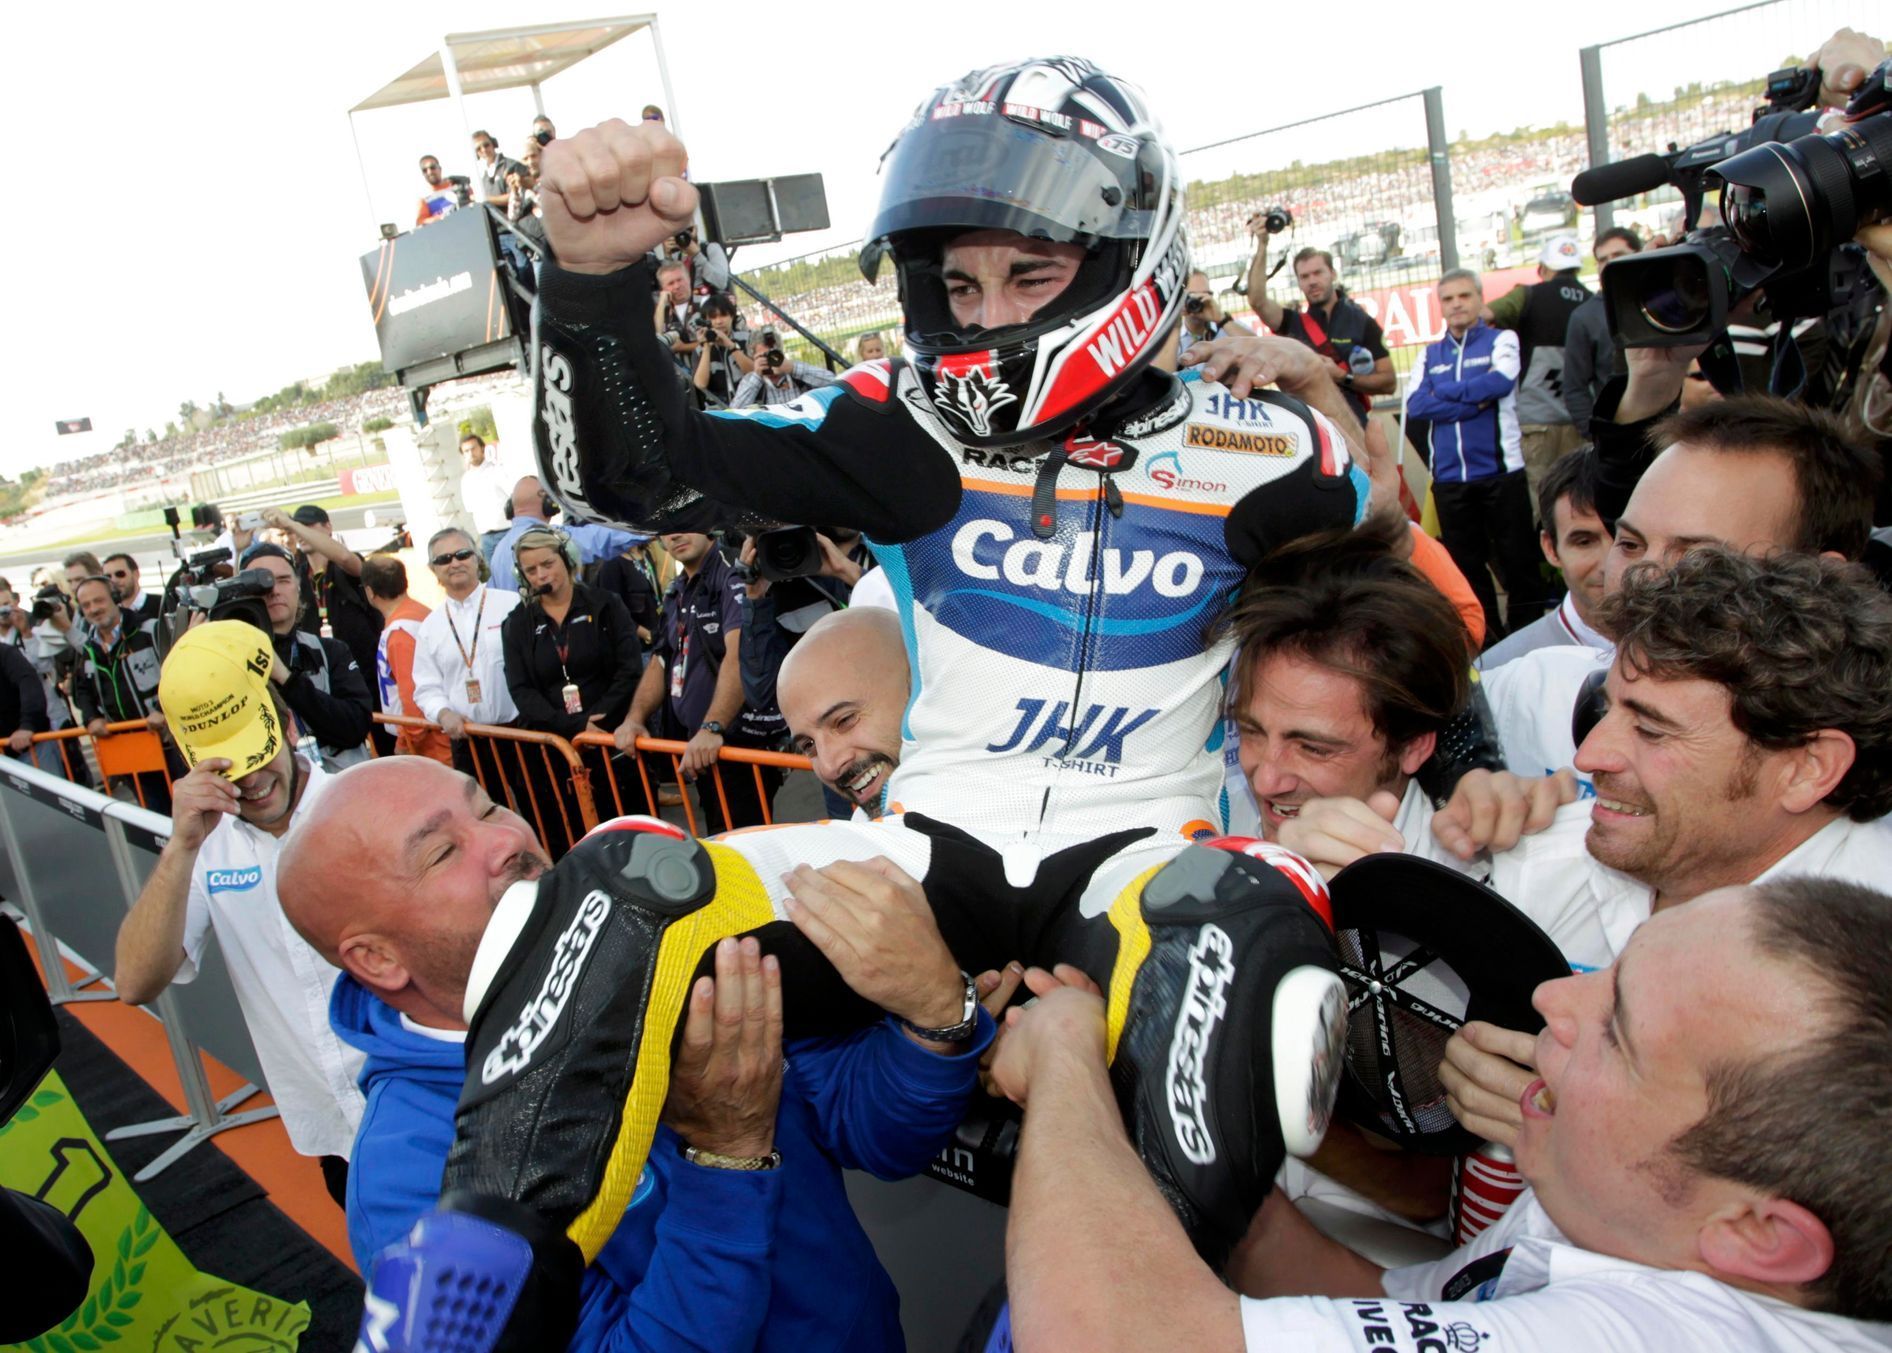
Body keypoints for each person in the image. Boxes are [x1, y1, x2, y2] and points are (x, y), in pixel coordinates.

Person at [364, 59, 1499, 1321]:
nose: (984, 312)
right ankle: (472, 1302)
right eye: (955, 282)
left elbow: (1411, 639)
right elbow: (635, 476)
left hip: (1141, 863)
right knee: (623, 880)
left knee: (1237, 921)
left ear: (1133, 256)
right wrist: (588, 281)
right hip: (922, 857)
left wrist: (1466, 777)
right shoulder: (902, 424)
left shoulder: (1275, 457)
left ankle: (1123, 1321)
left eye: (1026, 275)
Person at [281, 755, 999, 1350]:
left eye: (489, 804)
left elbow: (871, 1130)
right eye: (443, 850)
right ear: (375, 957)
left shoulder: (663, 940)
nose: (507, 841)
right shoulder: (412, 1182)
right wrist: (724, 1154)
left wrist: (935, 1021)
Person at [993, 880, 1892, 1350]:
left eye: (1616, 1031)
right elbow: (1372, 1300)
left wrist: (1065, 1066)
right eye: (1611, 974)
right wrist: (1161, 1105)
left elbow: (1109, 1340)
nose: (1553, 999)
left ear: (1757, 1232)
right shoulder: (1636, 1212)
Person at [1483, 395, 1880, 786]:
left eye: (1697, 558)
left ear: (1821, 580)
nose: (1639, 579)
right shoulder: (1531, 692)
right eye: (1630, 545)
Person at [112, 622, 365, 1203]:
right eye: (227, 768)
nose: (251, 782)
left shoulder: (364, 803)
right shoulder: (204, 848)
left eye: (258, 754)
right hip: (332, 1134)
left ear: (290, 728)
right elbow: (133, 982)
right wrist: (179, 848)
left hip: (430, 1111)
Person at [1407, 267, 1551, 642]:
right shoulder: (1428, 355)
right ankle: (1489, 639)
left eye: (1464, 296)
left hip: (1502, 475)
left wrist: (1446, 393)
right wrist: (1472, 403)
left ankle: (1529, 635)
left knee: (1518, 562)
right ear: (1440, 306)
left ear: (1479, 299)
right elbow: (1416, 404)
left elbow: (1501, 381)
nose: (1456, 304)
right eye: (1448, 299)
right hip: (1452, 482)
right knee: (1467, 569)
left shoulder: (1503, 339)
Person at [613, 530, 778, 833]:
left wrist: (712, 726)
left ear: (706, 524)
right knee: (721, 841)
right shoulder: (678, 587)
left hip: (736, 746)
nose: (675, 534)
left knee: (743, 851)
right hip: (703, 748)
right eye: (665, 530)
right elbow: (661, 659)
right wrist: (634, 718)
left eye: (684, 523)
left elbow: (741, 652)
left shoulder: (732, 570)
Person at [500, 526, 647, 849]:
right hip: (554, 750)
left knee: (627, 836)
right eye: (531, 570)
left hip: (610, 740)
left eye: (547, 564)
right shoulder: (518, 623)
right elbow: (521, 690)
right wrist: (578, 726)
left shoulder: (606, 605)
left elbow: (630, 669)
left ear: (566, 560)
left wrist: (599, 721)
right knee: (569, 840)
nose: (541, 575)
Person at [239, 543, 374, 771]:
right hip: (273, 794)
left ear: (298, 587)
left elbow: (355, 727)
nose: (274, 590)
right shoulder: (231, 660)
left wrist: (287, 679)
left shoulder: (330, 651)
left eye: (283, 580)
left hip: (338, 787)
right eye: (262, 584)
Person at [1476, 449, 1611, 672]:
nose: (1609, 565)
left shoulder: (1687, 648)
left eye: (1627, 542)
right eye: (1584, 542)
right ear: (1550, 548)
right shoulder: (1501, 672)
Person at [1482, 234, 1591, 508]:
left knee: (1539, 502)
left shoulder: (1528, 295)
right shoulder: (1592, 302)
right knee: (1579, 498)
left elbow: (1486, 315)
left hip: (1535, 421)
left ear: (1543, 268)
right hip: (1582, 421)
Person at [261, 504, 385, 746]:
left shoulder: (344, 565)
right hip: (326, 680)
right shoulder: (297, 575)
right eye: (299, 527)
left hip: (368, 677)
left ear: (328, 527)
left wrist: (291, 525)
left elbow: (346, 557)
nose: (301, 533)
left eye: (308, 526)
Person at [408, 527, 520, 784]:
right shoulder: (430, 627)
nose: (454, 563)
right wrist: (443, 713)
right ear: (433, 569)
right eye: (443, 559)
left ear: (477, 558)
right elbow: (426, 688)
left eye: (462, 554)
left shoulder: (511, 604)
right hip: (468, 741)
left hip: (521, 733)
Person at [1242, 241, 1394, 427]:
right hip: (1311, 430)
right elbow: (1257, 300)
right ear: (1298, 282)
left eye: (1318, 273)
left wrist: (1342, 376)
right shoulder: (1292, 323)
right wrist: (1263, 243)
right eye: (1304, 276)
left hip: (1354, 428)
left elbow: (1389, 382)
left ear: (1332, 273)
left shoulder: (1362, 322)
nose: (1312, 281)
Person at [776, 606, 910, 816]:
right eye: (809, 745)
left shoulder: (975, 809)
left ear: (915, 685)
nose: (829, 766)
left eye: (844, 721)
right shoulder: (865, 831)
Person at [69, 575, 172, 809]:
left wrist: (161, 710)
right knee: (154, 815)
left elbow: (179, 673)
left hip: (169, 742)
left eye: (99, 601)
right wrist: (91, 718)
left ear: (115, 598)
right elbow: (81, 689)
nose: (94, 609)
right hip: (127, 748)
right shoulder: (89, 648)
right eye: (86, 605)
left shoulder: (149, 630)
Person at [361, 554, 450, 764]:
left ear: (370, 592)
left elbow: (413, 695)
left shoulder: (400, 632)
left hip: (434, 747)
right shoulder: (419, 613)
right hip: (437, 738)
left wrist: (405, 741)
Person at [488, 475, 644, 593]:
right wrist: (649, 528)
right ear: (548, 501)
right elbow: (601, 539)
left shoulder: (497, 553)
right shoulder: (551, 538)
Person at [1559, 228, 1642, 438]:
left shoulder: (1664, 299)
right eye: (1602, 259)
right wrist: (1595, 436)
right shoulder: (1584, 317)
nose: (1609, 264)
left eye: (1618, 255)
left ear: (1639, 253)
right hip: (1620, 430)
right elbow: (1574, 387)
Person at [728, 332, 836, 410]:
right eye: (762, 356)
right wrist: (757, 377)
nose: (768, 360)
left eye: (772, 354)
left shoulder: (797, 372)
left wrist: (793, 369)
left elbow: (833, 381)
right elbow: (735, 411)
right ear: (753, 358)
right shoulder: (750, 381)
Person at [690, 293, 754, 406]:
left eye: (723, 315)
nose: (719, 321)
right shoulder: (700, 350)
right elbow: (700, 384)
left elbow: (754, 372)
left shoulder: (747, 338)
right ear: (705, 321)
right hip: (718, 412)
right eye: (713, 317)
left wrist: (730, 345)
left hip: (749, 406)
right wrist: (706, 347)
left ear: (732, 316)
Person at [458, 433, 513, 563]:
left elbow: (513, 496)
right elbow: (470, 508)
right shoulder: (466, 480)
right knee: (496, 578)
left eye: (473, 448)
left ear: (482, 448)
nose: (471, 453)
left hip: (506, 532)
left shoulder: (496, 471)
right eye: (466, 451)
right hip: (486, 538)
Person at [1177, 268, 1252, 358]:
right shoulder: (1174, 337)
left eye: (1204, 294)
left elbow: (1258, 349)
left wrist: (1221, 319)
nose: (1197, 301)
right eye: (1192, 296)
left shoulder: (1228, 327)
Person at [101, 553, 160, 628]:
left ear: (136, 574)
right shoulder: (110, 614)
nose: (114, 580)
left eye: (120, 574)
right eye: (108, 577)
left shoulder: (163, 605)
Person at [469, 129, 521, 208]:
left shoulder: (511, 165)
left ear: (493, 144)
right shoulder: (482, 176)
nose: (484, 150)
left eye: (486, 145)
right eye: (478, 149)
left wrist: (484, 198)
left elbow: (515, 196)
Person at [415, 155, 455, 227]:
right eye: (425, 170)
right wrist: (441, 218)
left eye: (432, 167)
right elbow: (421, 222)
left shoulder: (456, 185)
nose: (429, 172)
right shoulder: (425, 199)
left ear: (440, 169)